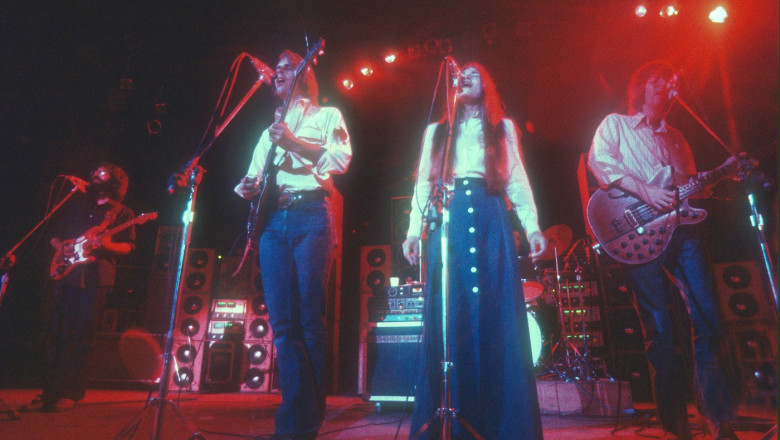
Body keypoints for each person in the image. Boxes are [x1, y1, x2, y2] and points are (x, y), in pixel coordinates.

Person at [588, 60, 738, 440]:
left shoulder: (677, 138)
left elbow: (686, 190)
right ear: (642, 87)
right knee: (660, 330)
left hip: (683, 231)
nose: (670, 90)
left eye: (674, 85)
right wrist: (645, 190)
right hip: (638, 234)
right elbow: (600, 163)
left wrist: (720, 173)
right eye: (662, 83)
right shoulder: (616, 125)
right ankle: (675, 427)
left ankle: (717, 419)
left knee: (708, 319)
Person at [402, 61, 547, 440]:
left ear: (488, 83)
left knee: (495, 313)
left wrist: (531, 226)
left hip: (490, 213)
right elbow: (423, 182)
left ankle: (503, 423)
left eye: (473, 73)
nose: (464, 77)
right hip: (447, 218)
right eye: (460, 74)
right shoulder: (436, 132)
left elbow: (517, 178)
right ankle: (450, 415)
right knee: (452, 313)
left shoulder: (503, 128)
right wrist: (413, 232)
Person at [235, 49, 351, 440]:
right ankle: (291, 420)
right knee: (282, 324)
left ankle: (309, 418)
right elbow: (252, 178)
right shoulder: (268, 130)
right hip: (273, 221)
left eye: (286, 67)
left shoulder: (327, 115)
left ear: (304, 75)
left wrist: (296, 142)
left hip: (310, 215)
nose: (278, 73)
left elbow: (340, 159)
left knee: (308, 318)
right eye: (277, 68)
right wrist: (247, 187)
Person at [23, 163, 136, 413]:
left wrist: (104, 245)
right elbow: (55, 236)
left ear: (116, 181)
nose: (96, 175)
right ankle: (49, 393)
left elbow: (129, 247)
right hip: (67, 275)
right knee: (57, 334)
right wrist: (63, 247)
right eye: (94, 172)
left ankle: (71, 394)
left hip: (96, 278)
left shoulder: (123, 212)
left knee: (82, 338)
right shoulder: (79, 207)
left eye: (103, 173)